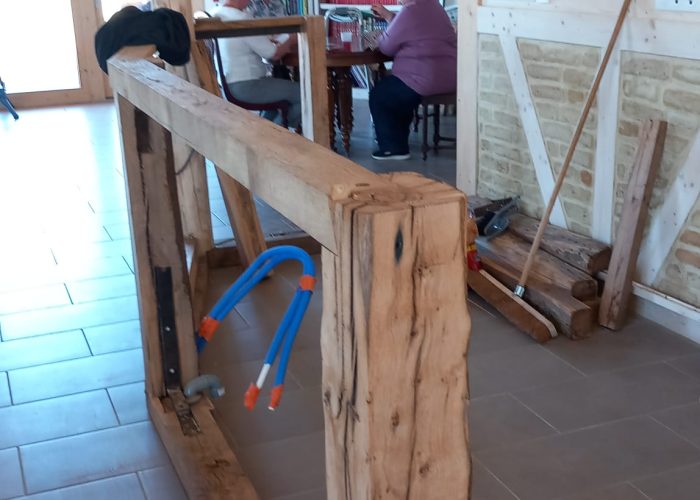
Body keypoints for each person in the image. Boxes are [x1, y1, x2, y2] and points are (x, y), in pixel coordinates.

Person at [369, 0, 457, 160]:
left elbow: (386, 47)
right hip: (449, 76)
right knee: (398, 92)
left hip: (424, 78)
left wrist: (379, 38)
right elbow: (414, 27)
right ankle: (396, 141)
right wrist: (389, 16)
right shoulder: (434, 6)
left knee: (380, 95)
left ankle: (392, 148)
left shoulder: (410, 10)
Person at [212, 0, 301, 128]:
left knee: (274, 106)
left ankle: (265, 133)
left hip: (227, 84)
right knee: (304, 95)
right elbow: (273, 54)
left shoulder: (217, 14)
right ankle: (276, 135)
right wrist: (291, 39)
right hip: (247, 86)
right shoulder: (241, 19)